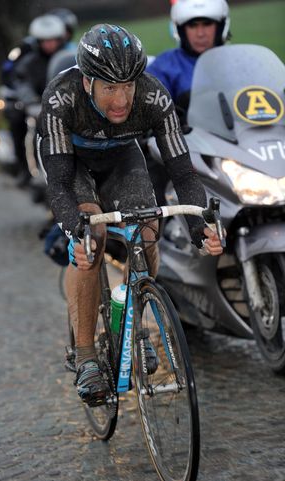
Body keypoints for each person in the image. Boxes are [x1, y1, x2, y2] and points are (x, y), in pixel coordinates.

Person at [36, 24, 224, 406]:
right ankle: (86, 356)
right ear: (87, 82)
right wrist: (76, 229)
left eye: (128, 86)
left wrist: (199, 226)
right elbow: (58, 185)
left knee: (148, 228)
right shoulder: (61, 99)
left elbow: (183, 173)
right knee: (93, 236)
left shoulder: (153, 96)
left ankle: (134, 327)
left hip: (121, 157)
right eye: (110, 88)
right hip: (71, 165)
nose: (122, 99)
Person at [145, 0, 231, 204]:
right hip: (187, 151)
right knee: (152, 183)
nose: (200, 33)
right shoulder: (164, 67)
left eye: (207, 24)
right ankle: (158, 229)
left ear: (220, 27)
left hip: (235, 148)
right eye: (193, 25)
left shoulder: (239, 62)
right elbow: (147, 108)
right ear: (180, 30)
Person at [1, 14, 68, 187]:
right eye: (45, 41)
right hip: (37, 108)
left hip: (65, 107)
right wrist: (31, 102)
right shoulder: (29, 62)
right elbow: (22, 82)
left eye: (53, 40)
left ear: (61, 39)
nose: (49, 44)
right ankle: (26, 169)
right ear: (38, 41)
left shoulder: (68, 58)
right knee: (19, 123)